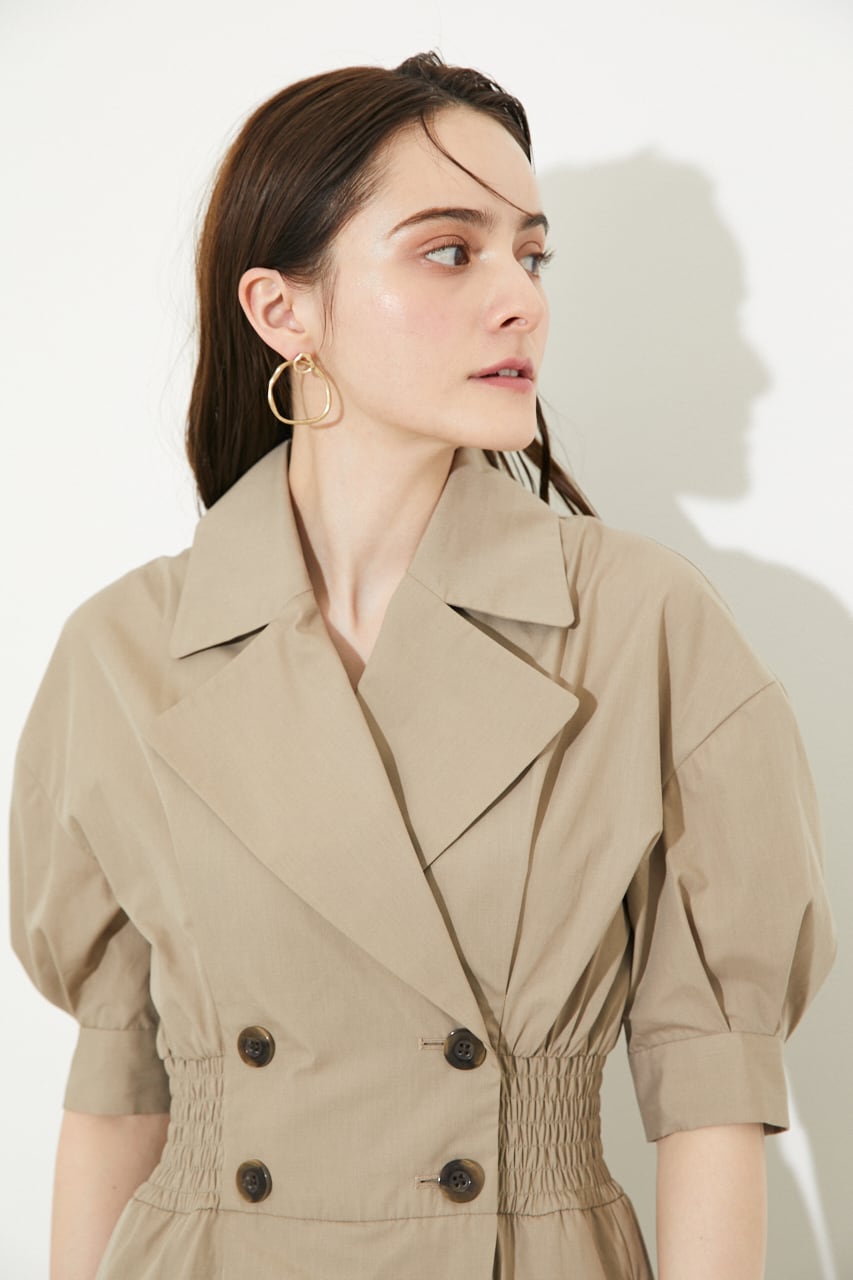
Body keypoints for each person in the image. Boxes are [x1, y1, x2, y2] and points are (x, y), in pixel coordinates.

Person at [7, 50, 836, 1280]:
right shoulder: (122, 653)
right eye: (451, 250)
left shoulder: (641, 623)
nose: (519, 300)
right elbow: (117, 1091)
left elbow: (712, 1086)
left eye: (530, 255)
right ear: (282, 310)